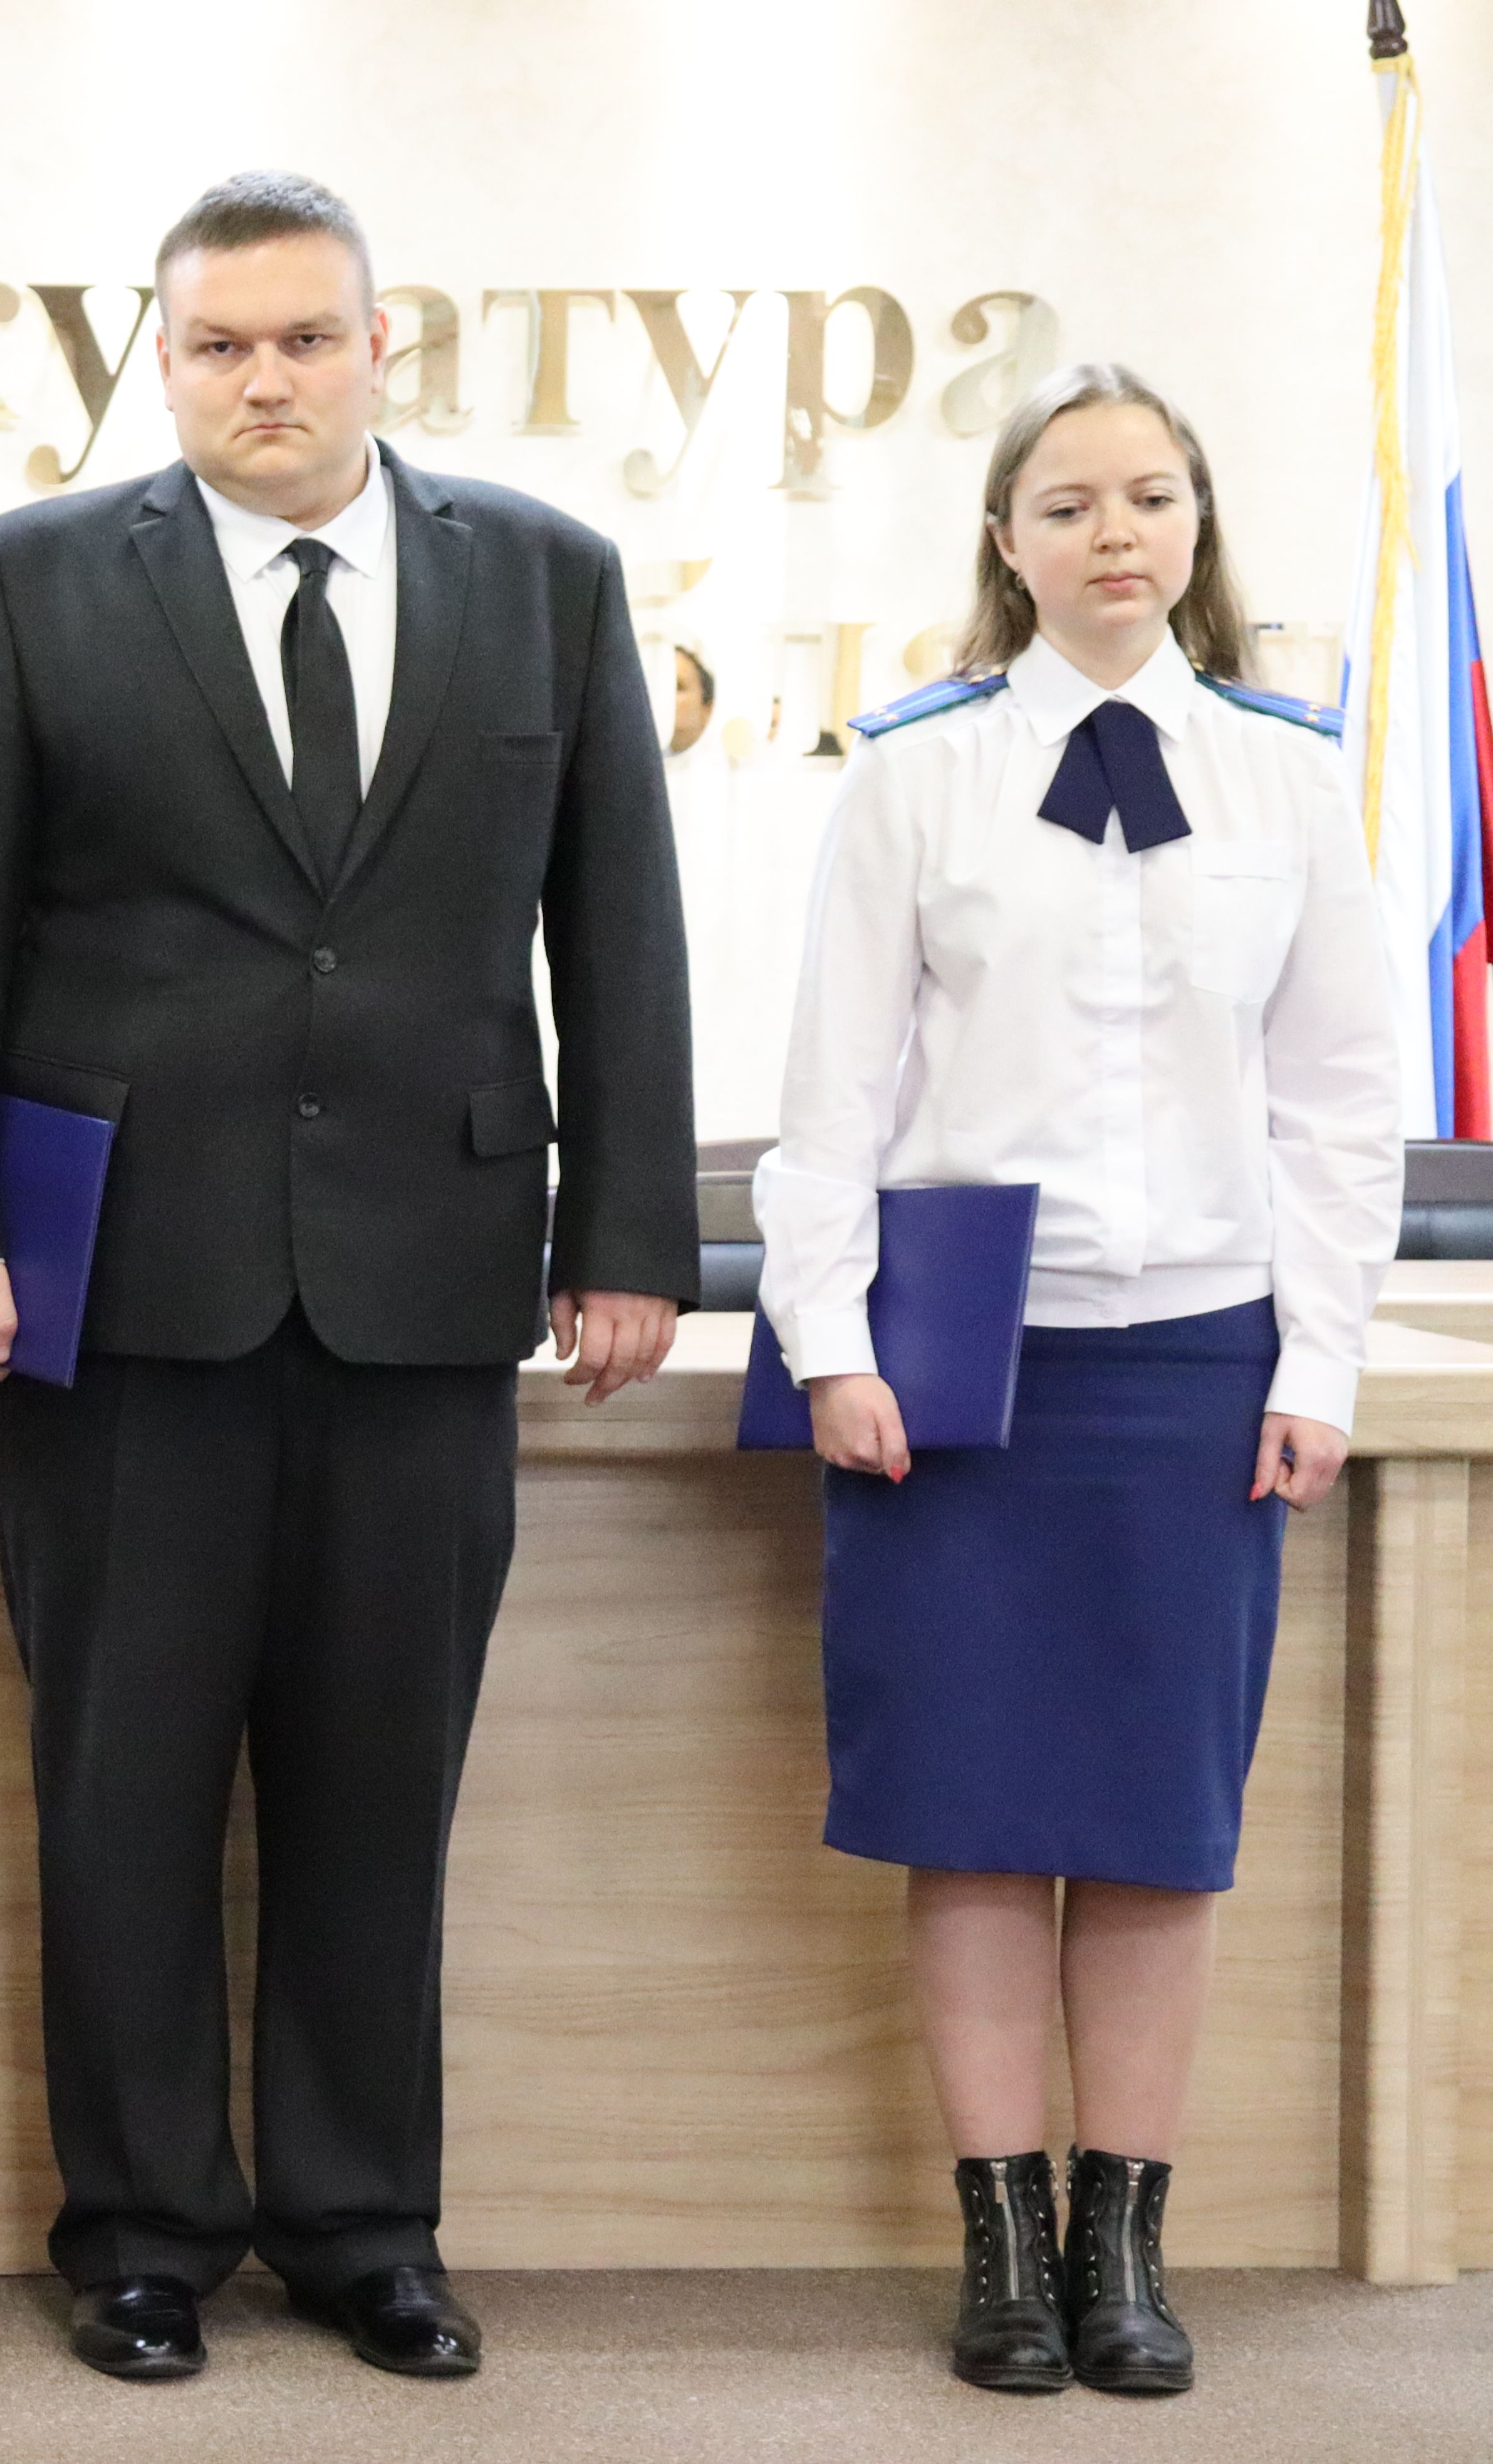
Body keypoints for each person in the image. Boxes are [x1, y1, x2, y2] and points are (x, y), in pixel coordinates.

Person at [0, 170, 695, 2385]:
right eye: (220, 344)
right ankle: (139, 2227)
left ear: (378, 346)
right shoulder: (37, 578)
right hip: (121, 1288)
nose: (265, 380)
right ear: (162, 360)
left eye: (305, 338)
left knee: (378, 1784)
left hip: (428, 1279)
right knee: (120, 1783)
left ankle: (359, 2223)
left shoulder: (545, 579)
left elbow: (616, 923)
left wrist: (625, 1233)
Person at [756, 364, 1402, 2397]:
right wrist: (830, 1339)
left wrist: (1318, 1357)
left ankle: (1123, 2243)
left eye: (1146, 496)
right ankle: (1001, 2248)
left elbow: (1339, 1107)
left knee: (1148, 1824)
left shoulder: (1286, 778)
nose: (1111, 532)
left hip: (1196, 1360)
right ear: (1005, 543)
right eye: (1065, 503)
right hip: (964, 1367)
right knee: (968, 1816)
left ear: (1195, 525)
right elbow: (830, 1094)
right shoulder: (917, 774)